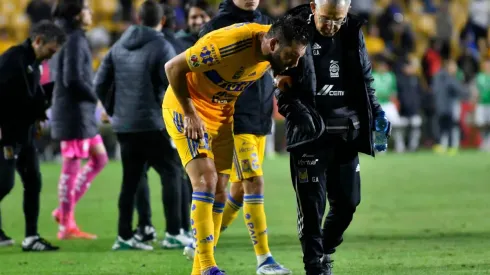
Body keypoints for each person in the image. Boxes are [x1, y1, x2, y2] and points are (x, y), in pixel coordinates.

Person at [162, 15, 310, 275]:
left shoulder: (274, 44)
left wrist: (278, 78)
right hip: (188, 108)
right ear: (273, 45)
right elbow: (173, 67)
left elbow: (262, 65)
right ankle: (208, 267)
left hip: (221, 113)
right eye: (292, 56)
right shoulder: (226, 44)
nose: (295, 63)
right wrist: (189, 114)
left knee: (220, 188)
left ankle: (199, 270)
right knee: (205, 180)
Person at [274, 1, 390, 274]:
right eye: (327, 19)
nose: (332, 26)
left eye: (338, 19)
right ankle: (314, 266)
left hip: (346, 132)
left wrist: (376, 114)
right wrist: (299, 114)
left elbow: (364, 80)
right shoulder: (292, 29)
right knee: (312, 210)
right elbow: (280, 86)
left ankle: (325, 251)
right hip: (310, 136)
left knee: (349, 204)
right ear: (314, 7)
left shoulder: (352, 31)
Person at [94, 0, 192, 250]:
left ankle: (125, 236)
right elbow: (173, 83)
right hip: (153, 123)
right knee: (171, 173)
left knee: (131, 180)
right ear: (161, 21)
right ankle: (173, 232)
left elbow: (99, 82)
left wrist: (113, 110)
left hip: (125, 126)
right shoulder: (161, 46)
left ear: (138, 19)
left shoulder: (117, 46)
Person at [0, 20, 65, 251]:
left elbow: (30, 96)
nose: (50, 56)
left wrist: (40, 111)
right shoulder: (12, 60)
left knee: (33, 181)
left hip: (24, 133)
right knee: (4, 184)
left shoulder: (33, 62)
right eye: (50, 50)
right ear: (38, 41)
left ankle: (31, 238)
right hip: (6, 134)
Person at [50, 0, 108, 240]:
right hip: (73, 113)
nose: (90, 12)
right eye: (86, 8)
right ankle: (66, 224)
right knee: (71, 166)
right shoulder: (73, 39)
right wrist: (97, 97)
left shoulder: (68, 36)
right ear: (75, 15)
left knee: (100, 158)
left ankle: (63, 212)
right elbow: (72, 79)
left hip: (78, 114)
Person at [432, 59, 467, 155]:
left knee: (442, 127)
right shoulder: (449, 78)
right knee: (451, 127)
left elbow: (434, 90)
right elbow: (459, 90)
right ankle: (451, 147)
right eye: (454, 66)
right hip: (448, 106)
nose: (455, 69)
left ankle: (441, 146)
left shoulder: (438, 76)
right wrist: (467, 94)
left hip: (439, 105)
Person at [474, 57, 490, 151]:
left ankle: (488, 143)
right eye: (487, 64)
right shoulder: (480, 76)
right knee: (481, 124)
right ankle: (484, 141)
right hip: (481, 104)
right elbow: (476, 89)